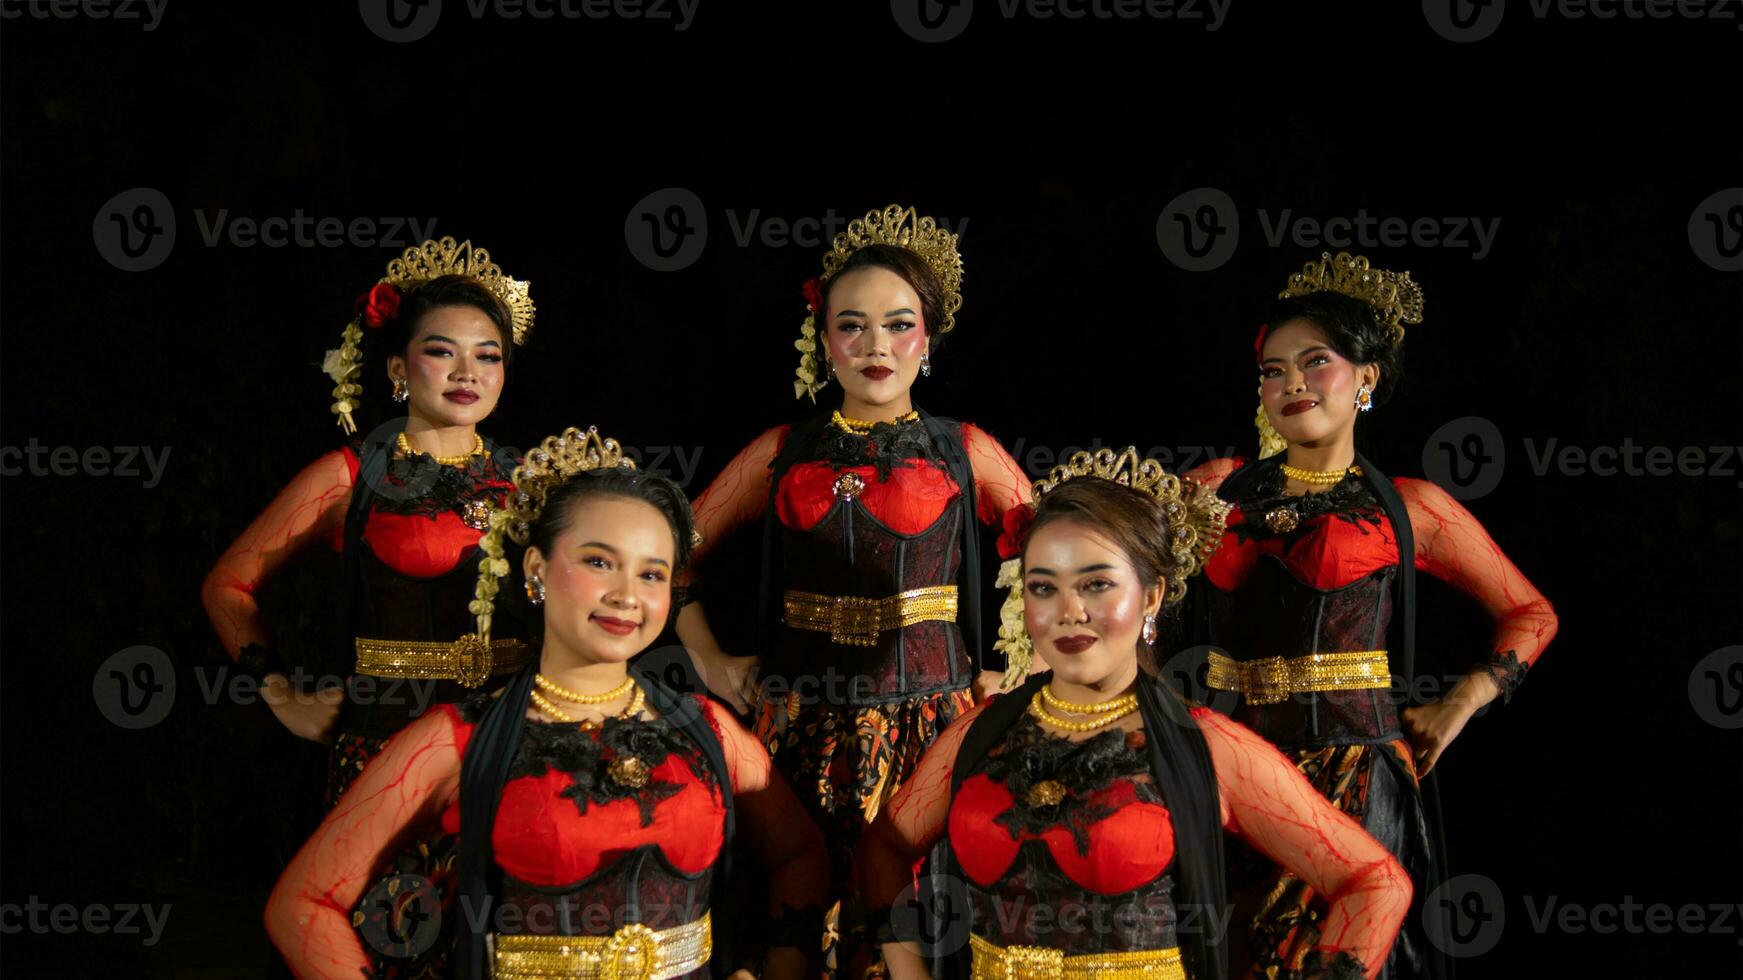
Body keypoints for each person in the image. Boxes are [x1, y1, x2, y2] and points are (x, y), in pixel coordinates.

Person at [266, 426, 829, 979]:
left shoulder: (710, 731)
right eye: (599, 562)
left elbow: (800, 855)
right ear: (536, 570)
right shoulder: (457, 740)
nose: (626, 595)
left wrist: (781, 965)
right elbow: (302, 906)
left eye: (651, 573)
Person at [859, 448, 1413, 979]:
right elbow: (884, 846)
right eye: (1043, 587)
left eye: (1097, 584)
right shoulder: (980, 731)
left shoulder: (1204, 744)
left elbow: (1375, 881)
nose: (1069, 612)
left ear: (1151, 596)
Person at [674, 205, 1033, 973]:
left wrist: (1021, 666)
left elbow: (1061, 554)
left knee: (915, 933)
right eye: (852, 325)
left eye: (897, 324)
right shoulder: (780, 450)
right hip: (797, 736)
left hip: (934, 733)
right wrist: (706, 657)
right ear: (822, 338)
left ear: (927, 338)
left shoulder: (965, 450)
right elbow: (666, 552)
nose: (875, 346)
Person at [1183, 253, 1559, 978]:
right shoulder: (1211, 491)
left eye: (1314, 361)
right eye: (1271, 369)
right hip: (1230, 774)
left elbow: (1530, 612)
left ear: (1366, 378)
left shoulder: (1410, 508)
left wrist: (1459, 703)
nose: (1290, 382)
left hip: (1353, 773)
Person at [202, 238, 537, 975]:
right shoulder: (350, 476)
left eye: (487, 355)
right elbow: (228, 584)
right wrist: (280, 693)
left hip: (512, 751)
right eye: (441, 351)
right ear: (395, 367)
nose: (466, 372)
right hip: (386, 751)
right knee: (394, 946)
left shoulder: (534, 480)